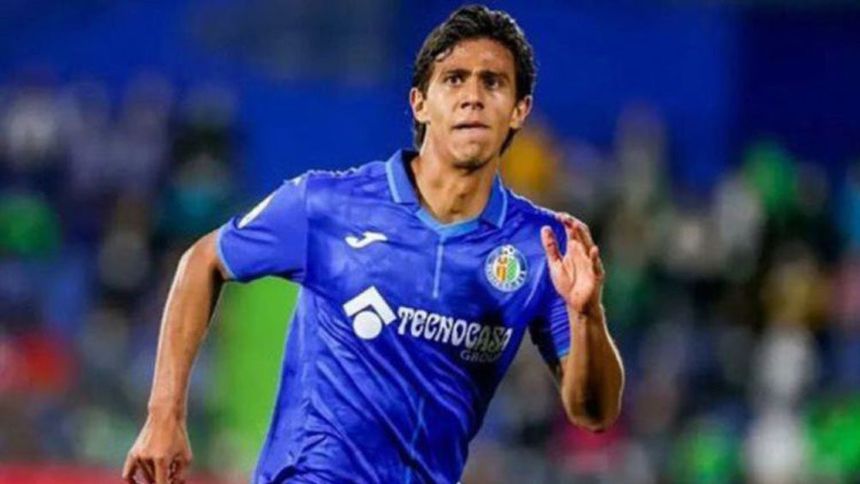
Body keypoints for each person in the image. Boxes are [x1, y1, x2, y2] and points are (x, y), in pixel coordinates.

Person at [123, 5, 624, 483]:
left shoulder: (544, 247)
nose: (473, 96)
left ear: (519, 110)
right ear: (420, 103)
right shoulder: (326, 204)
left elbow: (593, 413)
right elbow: (203, 260)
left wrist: (588, 316)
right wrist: (164, 414)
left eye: (492, 82)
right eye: (455, 79)